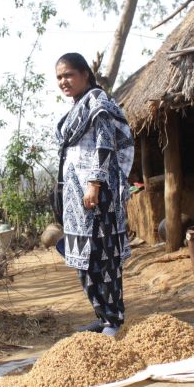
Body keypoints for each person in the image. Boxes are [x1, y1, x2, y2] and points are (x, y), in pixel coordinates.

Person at [53, 53, 135, 336]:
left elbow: (105, 142)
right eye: (59, 77)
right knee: (83, 257)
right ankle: (101, 315)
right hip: (77, 198)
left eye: (69, 75)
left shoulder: (97, 102)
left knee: (104, 256)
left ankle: (113, 319)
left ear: (85, 74)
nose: (64, 81)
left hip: (97, 195)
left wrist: (95, 183)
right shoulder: (75, 108)